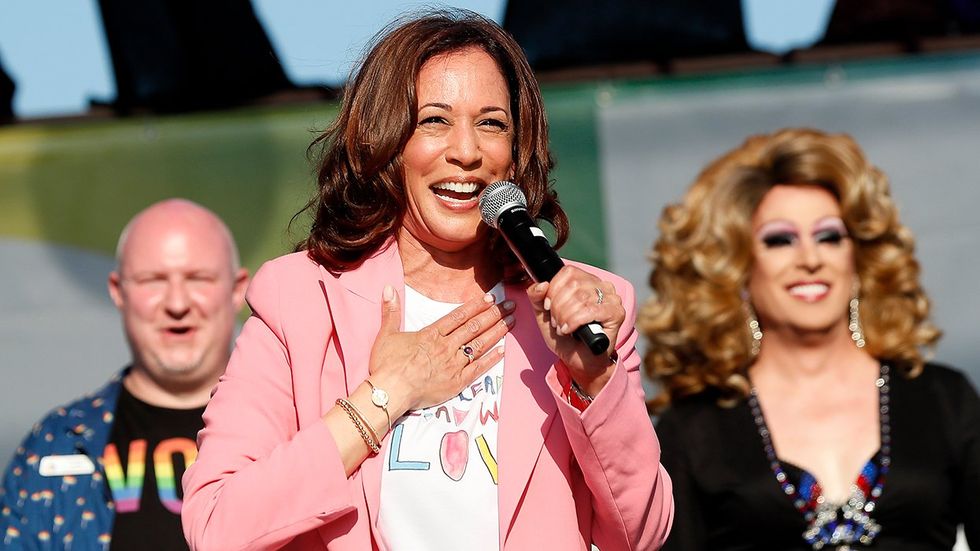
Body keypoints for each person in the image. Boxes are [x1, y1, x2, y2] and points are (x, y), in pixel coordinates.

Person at [180, 10, 673, 551]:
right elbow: (217, 526)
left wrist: (592, 383)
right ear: (383, 140)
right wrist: (388, 393)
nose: (466, 151)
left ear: (517, 149)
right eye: (434, 120)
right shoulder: (300, 298)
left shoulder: (583, 307)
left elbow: (640, 533)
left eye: (491, 123)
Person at [642, 128, 979, 550]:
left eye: (829, 236)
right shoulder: (695, 427)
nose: (810, 258)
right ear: (738, 267)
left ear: (857, 258)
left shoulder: (942, 400)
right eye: (780, 240)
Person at [1, 199, 249, 550]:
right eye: (153, 281)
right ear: (118, 291)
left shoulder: (296, 428)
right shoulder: (56, 445)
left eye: (198, 278)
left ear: (237, 290)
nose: (177, 304)